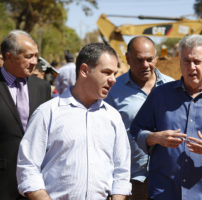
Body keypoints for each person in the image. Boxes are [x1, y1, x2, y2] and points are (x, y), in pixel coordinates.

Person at [130, 34, 202, 200]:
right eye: (186, 61)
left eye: (197, 62)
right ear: (180, 63)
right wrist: (154, 137)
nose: (191, 67)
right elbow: (137, 129)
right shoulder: (159, 95)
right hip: (164, 192)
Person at [17, 43, 131, 200]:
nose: (113, 80)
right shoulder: (47, 113)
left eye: (115, 74)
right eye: (106, 72)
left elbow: (122, 170)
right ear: (84, 70)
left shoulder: (113, 117)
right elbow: (28, 167)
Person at [105, 36, 173, 200]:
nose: (145, 65)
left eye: (149, 59)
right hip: (130, 180)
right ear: (127, 58)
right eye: (139, 60)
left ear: (156, 58)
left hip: (166, 179)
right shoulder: (113, 90)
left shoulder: (172, 87)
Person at [0, 30, 51, 200]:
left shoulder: (42, 87)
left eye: (36, 56)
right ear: (9, 56)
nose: (34, 62)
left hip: (37, 183)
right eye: (29, 56)